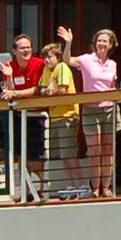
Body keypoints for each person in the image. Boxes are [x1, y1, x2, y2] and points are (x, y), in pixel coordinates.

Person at [59, 25, 120, 197]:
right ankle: (95, 187)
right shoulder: (87, 59)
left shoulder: (113, 64)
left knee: (108, 151)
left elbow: (112, 86)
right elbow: (67, 61)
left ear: (110, 45)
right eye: (99, 40)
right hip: (90, 109)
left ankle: (106, 188)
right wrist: (68, 43)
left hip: (109, 109)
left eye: (105, 41)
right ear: (95, 43)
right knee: (94, 150)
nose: (101, 44)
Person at [0, 33, 47, 199]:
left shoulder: (40, 64)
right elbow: (8, 92)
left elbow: (38, 90)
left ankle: (42, 190)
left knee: (35, 158)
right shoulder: (9, 66)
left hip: (36, 116)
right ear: (15, 51)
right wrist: (9, 76)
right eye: (22, 48)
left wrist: (15, 93)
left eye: (28, 47)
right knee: (21, 156)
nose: (26, 50)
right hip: (18, 117)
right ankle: (25, 193)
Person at [39, 47, 82, 198]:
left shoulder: (62, 67)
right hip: (54, 117)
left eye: (50, 57)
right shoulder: (46, 70)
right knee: (64, 156)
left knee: (70, 154)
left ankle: (81, 185)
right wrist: (48, 91)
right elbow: (42, 89)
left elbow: (62, 90)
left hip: (67, 115)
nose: (47, 60)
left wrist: (51, 91)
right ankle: (71, 184)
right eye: (45, 57)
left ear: (57, 57)